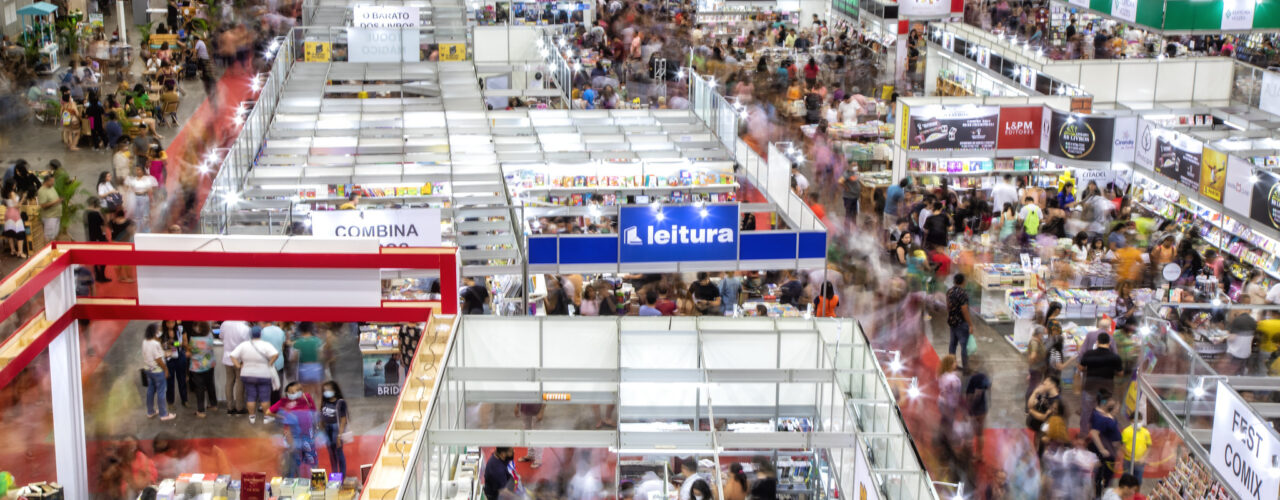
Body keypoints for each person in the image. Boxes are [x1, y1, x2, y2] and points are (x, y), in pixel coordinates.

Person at [268, 382, 318, 477]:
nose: (293, 393)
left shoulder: (307, 397)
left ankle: (314, 480)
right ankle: (293, 481)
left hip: (307, 434)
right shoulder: (284, 402)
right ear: (287, 392)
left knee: (310, 458)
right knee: (294, 460)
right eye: (290, 391)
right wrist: (281, 416)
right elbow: (269, 412)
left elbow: (313, 412)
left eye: (296, 391)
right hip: (293, 436)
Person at [1079, 332, 1123, 432]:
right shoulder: (1115, 357)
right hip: (1106, 389)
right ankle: (1103, 433)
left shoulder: (1089, 354)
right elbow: (1120, 373)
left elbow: (1081, 368)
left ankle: (1084, 433)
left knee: (1087, 411)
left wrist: (1089, 369)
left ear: (1097, 342)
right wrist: (1111, 371)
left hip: (1090, 387)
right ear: (1109, 343)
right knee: (1105, 411)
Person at [1088, 394, 1123, 497]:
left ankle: (1102, 493)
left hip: (1111, 452)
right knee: (1102, 476)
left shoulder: (1111, 418)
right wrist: (1102, 449)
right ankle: (1099, 495)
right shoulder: (1104, 419)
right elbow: (1094, 433)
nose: (1118, 410)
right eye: (1117, 407)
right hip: (1106, 453)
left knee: (1108, 476)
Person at [142, 324, 177, 420]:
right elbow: (158, 359)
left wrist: (166, 352)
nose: (159, 332)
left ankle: (150, 411)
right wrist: (165, 369)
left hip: (148, 369)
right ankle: (163, 414)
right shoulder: (155, 343)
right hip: (157, 371)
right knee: (161, 392)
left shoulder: (145, 341)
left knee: (150, 390)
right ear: (154, 332)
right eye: (158, 330)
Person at [218, 320, 252, 416]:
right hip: (240, 358)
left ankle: (230, 407)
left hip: (227, 357)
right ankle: (239, 408)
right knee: (240, 383)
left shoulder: (225, 323)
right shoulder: (245, 328)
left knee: (229, 382)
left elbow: (221, 337)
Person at [317, 380, 349, 476]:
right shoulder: (324, 402)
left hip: (336, 429)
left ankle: (342, 475)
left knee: (339, 453)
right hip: (327, 430)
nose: (326, 392)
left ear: (334, 390)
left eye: (329, 390)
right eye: (325, 390)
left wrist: (340, 435)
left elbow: (343, 420)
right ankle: (334, 473)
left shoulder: (340, 403)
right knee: (331, 453)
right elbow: (322, 415)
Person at [185, 322, 216, 418]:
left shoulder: (193, 340)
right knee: (210, 384)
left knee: (200, 389)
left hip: (197, 367)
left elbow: (188, 354)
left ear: (198, 329)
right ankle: (213, 405)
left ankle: (201, 411)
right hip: (210, 364)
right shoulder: (210, 336)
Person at [1027, 375, 1061, 456]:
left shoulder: (1057, 401)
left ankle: (1042, 456)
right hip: (1039, 426)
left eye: (1045, 383)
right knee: (1037, 439)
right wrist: (1035, 392)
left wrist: (1031, 412)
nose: (1043, 385)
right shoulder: (1044, 394)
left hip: (1048, 428)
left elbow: (1044, 417)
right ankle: (1037, 453)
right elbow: (1030, 405)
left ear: (1052, 385)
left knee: (1043, 445)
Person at [159, 321, 189, 409]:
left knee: (182, 379)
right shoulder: (162, 332)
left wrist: (174, 343)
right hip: (168, 358)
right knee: (169, 381)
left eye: (172, 322)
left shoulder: (181, 329)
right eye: (168, 322)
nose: (170, 325)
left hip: (180, 357)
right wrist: (165, 346)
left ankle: (184, 400)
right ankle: (170, 402)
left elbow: (185, 343)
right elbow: (158, 345)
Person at [965, 356, 991, 456]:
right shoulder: (984, 376)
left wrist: (968, 407)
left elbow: (974, 395)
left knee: (969, 434)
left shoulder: (973, 377)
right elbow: (988, 387)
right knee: (980, 433)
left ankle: (969, 454)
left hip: (974, 410)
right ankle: (980, 454)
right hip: (983, 408)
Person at [293, 321, 327, 399]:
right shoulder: (318, 341)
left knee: (306, 392)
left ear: (300, 329)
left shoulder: (297, 343)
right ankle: (318, 409)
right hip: (316, 367)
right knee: (318, 392)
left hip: (303, 368)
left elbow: (294, 358)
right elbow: (321, 356)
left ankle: (308, 409)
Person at [947, 274, 972, 369]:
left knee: (952, 345)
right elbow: (964, 310)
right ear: (963, 281)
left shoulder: (949, 291)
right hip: (961, 323)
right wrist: (970, 324)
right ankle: (965, 367)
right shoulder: (963, 293)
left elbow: (948, 306)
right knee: (964, 346)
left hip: (952, 321)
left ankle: (951, 366)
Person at [259, 322, 287, 403]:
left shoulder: (262, 332)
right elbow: (283, 346)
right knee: (278, 384)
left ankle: (266, 405)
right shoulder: (280, 331)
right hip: (279, 361)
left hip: (266, 362)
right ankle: (276, 404)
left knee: (266, 385)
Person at [124, 165, 158, 233]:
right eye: (136, 170)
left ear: (143, 171)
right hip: (135, 197)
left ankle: (145, 231)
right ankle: (137, 231)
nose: (137, 171)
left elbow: (150, 189)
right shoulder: (133, 179)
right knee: (137, 216)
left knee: (145, 215)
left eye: (139, 169)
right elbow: (128, 188)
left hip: (144, 197)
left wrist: (151, 199)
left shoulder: (147, 179)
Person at [1120, 414, 1151, 483]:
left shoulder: (1145, 432)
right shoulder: (1126, 431)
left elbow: (1149, 447)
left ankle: (1136, 493)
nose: (1136, 423)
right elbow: (1122, 447)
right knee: (1127, 481)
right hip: (1128, 461)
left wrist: (1143, 458)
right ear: (1131, 421)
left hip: (1140, 462)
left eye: (1138, 421)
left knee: (1138, 481)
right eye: (1134, 421)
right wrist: (1132, 457)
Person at [3, 183, 28, 259]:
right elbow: (17, 205)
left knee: (10, 233)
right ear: (12, 185)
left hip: (8, 213)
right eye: (14, 184)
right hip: (14, 214)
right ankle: (20, 252)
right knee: (20, 233)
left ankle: (13, 250)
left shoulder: (5, 193)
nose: (15, 185)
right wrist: (23, 198)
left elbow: (6, 204)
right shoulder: (12, 193)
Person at [37, 173, 61, 240]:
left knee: (54, 236)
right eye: (52, 181)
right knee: (49, 237)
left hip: (56, 215)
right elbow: (43, 205)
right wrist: (55, 202)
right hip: (49, 217)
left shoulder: (51, 188)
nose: (53, 183)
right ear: (47, 181)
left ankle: (53, 250)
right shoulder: (42, 191)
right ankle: (49, 250)